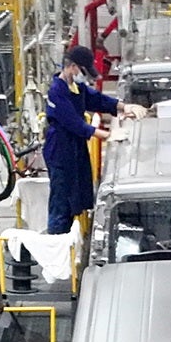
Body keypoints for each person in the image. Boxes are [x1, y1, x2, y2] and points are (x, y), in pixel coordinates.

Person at [42, 45, 124, 240]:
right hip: (60, 151)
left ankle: (68, 242)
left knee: (75, 198)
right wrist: (107, 135)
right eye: (83, 71)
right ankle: (57, 244)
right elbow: (74, 123)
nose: (84, 77)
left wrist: (123, 107)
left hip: (74, 149)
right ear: (72, 67)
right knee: (62, 203)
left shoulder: (75, 88)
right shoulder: (57, 91)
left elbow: (96, 99)